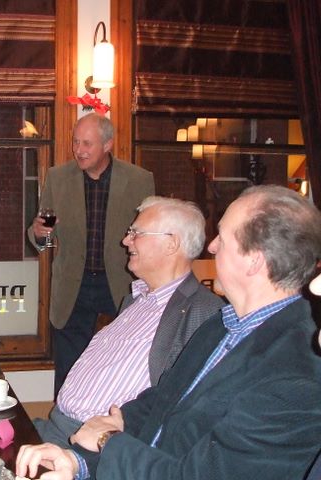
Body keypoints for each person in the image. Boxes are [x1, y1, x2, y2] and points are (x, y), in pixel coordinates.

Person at [17, 185, 321, 480]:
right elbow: (162, 401)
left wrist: (106, 440)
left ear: (254, 260)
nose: (211, 246)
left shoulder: (296, 372)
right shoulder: (222, 326)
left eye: (222, 238)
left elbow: (195, 474)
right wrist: (77, 463)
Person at [34, 196, 224, 448]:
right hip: (55, 427)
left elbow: (186, 407)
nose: (125, 241)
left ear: (171, 244)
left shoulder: (204, 312)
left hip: (93, 448)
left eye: (136, 233)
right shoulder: (135, 300)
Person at [27, 113, 155, 394]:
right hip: (74, 287)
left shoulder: (139, 180)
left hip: (121, 284)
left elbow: (149, 234)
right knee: (68, 372)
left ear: (107, 145)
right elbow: (45, 240)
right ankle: (64, 420)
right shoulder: (58, 178)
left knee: (118, 370)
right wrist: (39, 234)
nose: (79, 150)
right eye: (76, 142)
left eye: (87, 143)